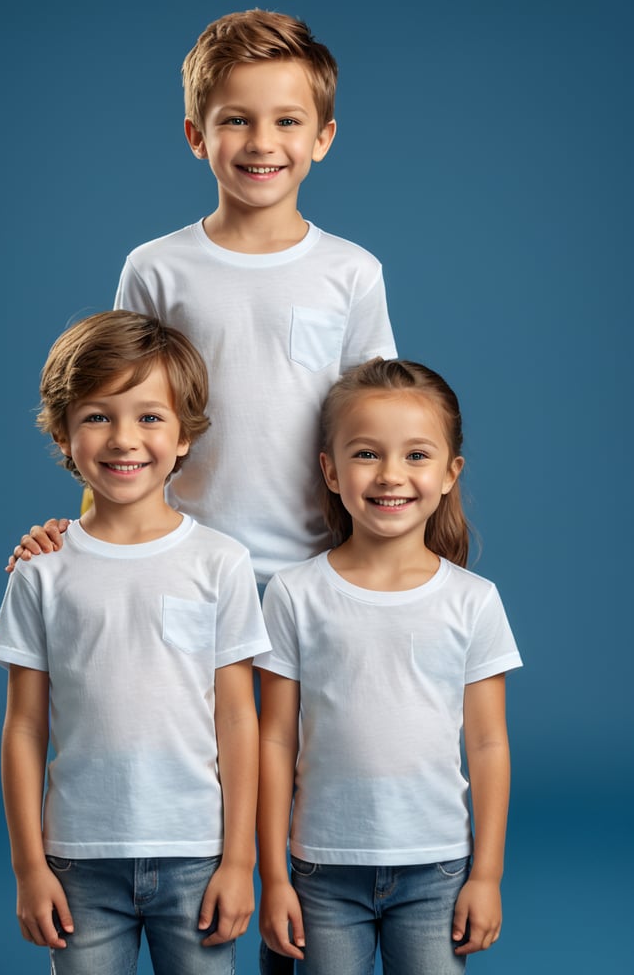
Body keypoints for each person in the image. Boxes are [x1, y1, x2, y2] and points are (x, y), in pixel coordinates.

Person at [8, 8, 396, 587]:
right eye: (236, 120)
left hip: (319, 568)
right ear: (196, 135)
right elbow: (115, 411)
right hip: (180, 563)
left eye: (287, 121)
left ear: (322, 138)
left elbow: (375, 427)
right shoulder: (156, 269)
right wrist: (87, 540)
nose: (262, 142)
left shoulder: (352, 272)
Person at [0, 310, 271, 975]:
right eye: (96, 417)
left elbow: (237, 717)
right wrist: (30, 867)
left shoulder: (220, 562)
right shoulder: (42, 569)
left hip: (196, 856)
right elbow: (24, 727)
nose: (123, 439)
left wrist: (239, 861)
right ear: (63, 431)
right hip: (78, 859)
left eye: (149, 417)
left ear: (183, 437)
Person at [255, 357, 523, 975]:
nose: (391, 475)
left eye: (417, 456)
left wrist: (487, 874)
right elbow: (273, 739)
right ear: (330, 469)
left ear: (452, 472)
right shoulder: (295, 594)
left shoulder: (472, 601)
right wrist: (273, 876)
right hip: (321, 868)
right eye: (367, 454)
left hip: (437, 870)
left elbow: (487, 744)